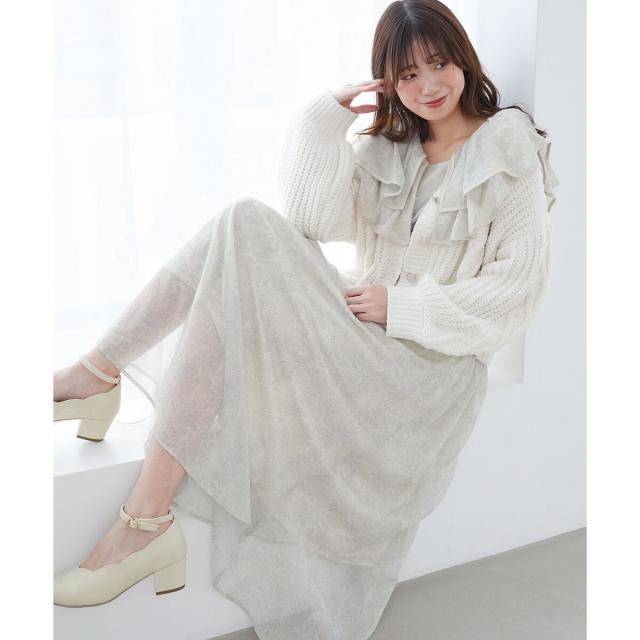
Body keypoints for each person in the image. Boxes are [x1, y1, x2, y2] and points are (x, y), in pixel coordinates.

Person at [52, 0, 560, 637]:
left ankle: (118, 445)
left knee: (243, 228)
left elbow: (518, 291)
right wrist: (324, 119)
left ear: (464, 58)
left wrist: (403, 307)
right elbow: (310, 222)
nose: (428, 85)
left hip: (427, 371)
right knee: (242, 228)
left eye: (439, 63)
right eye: (407, 75)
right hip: (364, 335)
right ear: (388, 82)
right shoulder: (394, 150)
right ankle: (124, 451)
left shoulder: (506, 147)